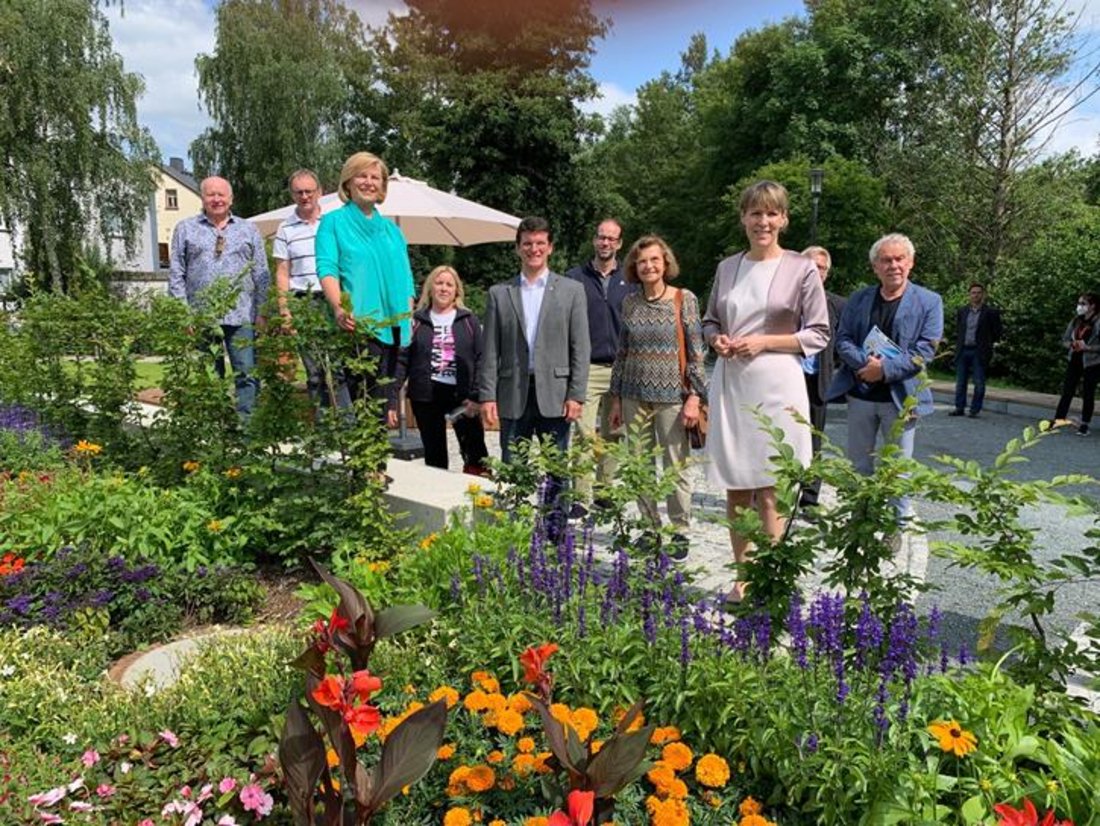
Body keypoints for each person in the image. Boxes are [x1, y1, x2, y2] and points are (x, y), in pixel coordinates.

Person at [702, 181, 829, 605]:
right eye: (756, 213)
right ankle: (743, 577)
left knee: (773, 483)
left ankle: (771, 576)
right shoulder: (727, 267)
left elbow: (818, 333)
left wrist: (763, 342)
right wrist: (717, 339)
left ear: (784, 219)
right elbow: (709, 320)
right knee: (736, 484)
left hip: (778, 382)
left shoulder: (801, 268)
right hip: (733, 381)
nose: (763, 221)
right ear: (743, 218)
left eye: (772, 213)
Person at [827, 233, 944, 522]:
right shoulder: (859, 299)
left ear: (911, 262)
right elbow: (842, 339)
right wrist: (864, 365)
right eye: (886, 260)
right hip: (861, 394)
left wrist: (885, 370)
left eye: (899, 258)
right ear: (875, 267)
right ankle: (860, 519)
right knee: (859, 463)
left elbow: (924, 350)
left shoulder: (929, 301)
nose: (893, 265)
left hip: (901, 398)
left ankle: (897, 526)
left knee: (898, 468)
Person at [608, 235, 706, 557]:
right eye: (641, 261)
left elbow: (696, 353)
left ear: (665, 263)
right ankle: (650, 528)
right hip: (634, 395)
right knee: (640, 465)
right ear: (634, 267)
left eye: (654, 260)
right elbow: (622, 353)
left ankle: (678, 530)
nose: (648, 266)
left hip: (672, 398)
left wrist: (695, 396)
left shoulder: (683, 299)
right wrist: (616, 399)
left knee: (675, 466)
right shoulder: (630, 303)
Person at [479, 216, 590, 465]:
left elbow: (580, 348)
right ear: (518, 248)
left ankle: (556, 507)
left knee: (557, 470)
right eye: (527, 244)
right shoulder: (499, 294)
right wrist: (487, 396)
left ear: (550, 247)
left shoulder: (571, 291)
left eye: (540, 243)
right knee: (513, 469)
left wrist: (577, 395)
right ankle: (515, 507)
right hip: (513, 393)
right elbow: (489, 351)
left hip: (556, 395)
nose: (534, 249)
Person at [315, 152, 415, 421]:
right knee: (364, 402)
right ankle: (364, 463)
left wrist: (409, 316)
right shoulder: (332, 222)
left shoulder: (392, 231)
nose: (369, 182)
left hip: (395, 326)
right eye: (362, 175)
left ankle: (377, 463)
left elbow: (406, 279)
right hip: (360, 324)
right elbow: (327, 269)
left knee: (385, 404)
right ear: (348, 182)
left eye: (376, 177)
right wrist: (339, 308)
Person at [169, 175, 269, 418]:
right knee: (209, 376)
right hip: (202, 316)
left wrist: (263, 312)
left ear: (231, 198)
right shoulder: (185, 228)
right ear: (202, 198)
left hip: (242, 314)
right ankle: (216, 429)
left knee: (246, 374)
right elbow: (176, 273)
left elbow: (261, 273)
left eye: (221, 194)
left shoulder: (248, 229)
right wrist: (184, 314)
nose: (216, 199)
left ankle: (247, 431)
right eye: (210, 194)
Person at [566, 218, 635, 505]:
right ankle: (581, 497)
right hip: (588, 366)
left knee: (615, 432)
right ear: (594, 240)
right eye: (601, 237)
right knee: (583, 433)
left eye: (611, 238)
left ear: (619, 244)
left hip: (623, 367)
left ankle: (605, 490)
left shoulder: (632, 280)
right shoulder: (574, 278)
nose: (605, 243)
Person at [396, 266, 489, 473]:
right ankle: (439, 500)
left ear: (456, 290)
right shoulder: (416, 321)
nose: (444, 288)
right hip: (427, 396)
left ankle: (480, 498)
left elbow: (481, 358)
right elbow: (403, 360)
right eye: (439, 283)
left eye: (449, 284)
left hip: (463, 396)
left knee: (475, 452)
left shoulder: (469, 321)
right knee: (434, 454)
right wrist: (393, 396)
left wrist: (476, 395)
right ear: (430, 288)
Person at [272, 169, 350, 413]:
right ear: (292, 195)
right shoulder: (285, 228)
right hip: (303, 302)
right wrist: (285, 310)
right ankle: (322, 428)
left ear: (320, 192)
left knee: (340, 367)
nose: (305, 196)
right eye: (299, 192)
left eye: (309, 191)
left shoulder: (334, 222)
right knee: (314, 370)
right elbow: (282, 273)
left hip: (334, 299)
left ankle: (347, 427)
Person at [799, 245, 847, 512]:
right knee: (778, 434)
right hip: (787, 379)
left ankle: (808, 499)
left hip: (818, 380)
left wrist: (834, 365)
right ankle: (771, 493)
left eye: (821, 268)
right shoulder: (786, 300)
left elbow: (845, 341)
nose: (816, 272)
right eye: (811, 266)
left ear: (827, 273)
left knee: (814, 440)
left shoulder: (838, 304)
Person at [1051, 292, 1100, 436]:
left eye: (1083, 304)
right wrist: (1072, 345)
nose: (1080, 307)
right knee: (1067, 390)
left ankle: (1084, 424)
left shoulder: (1098, 322)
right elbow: (1065, 340)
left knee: (1088, 393)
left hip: (1092, 362)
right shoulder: (1076, 321)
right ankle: (1058, 419)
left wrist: (1088, 348)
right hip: (1075, 359)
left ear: (1092, 306)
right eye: (1079, 303)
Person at [950, 282, 1002, 418]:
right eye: (973, 293)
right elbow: (959, 330)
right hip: (963, 350)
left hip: (979, 352)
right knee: (960, 383)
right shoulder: (962, 311)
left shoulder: (991, 312)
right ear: (969, 295)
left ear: (983, 295)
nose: (976, 295)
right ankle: (959, 407)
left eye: (979, 292)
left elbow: (997, 332)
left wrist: (988, 345)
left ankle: (974, 410)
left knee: (979, 383)